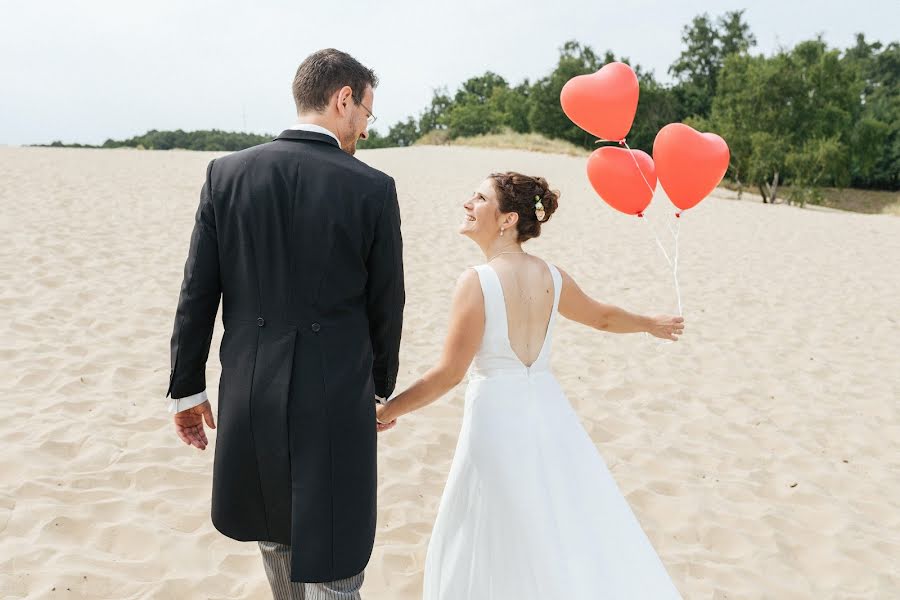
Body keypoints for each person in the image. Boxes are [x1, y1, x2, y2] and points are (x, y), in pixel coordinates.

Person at [376, 172, 684, 599]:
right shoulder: (551, 276)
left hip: (496, 420)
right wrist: (648, 324)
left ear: (508, 219)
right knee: (554, 521)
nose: (468, 203)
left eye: (480, 197)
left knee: (492, 528)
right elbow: (602, 317)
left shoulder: (476, 281)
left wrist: (388, 410)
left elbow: (449, 373)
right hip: (549, 413)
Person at [166, 48, 404, 599]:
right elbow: (386, 304)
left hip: (252, 389)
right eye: (368, 113)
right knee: (337, 550)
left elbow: (197, 291)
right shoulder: (372, 188)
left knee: (273, 531)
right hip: (337, 391)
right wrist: (380, 388)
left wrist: (186, 388)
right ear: (344, 99)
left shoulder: (226, 174)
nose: (366, 128)